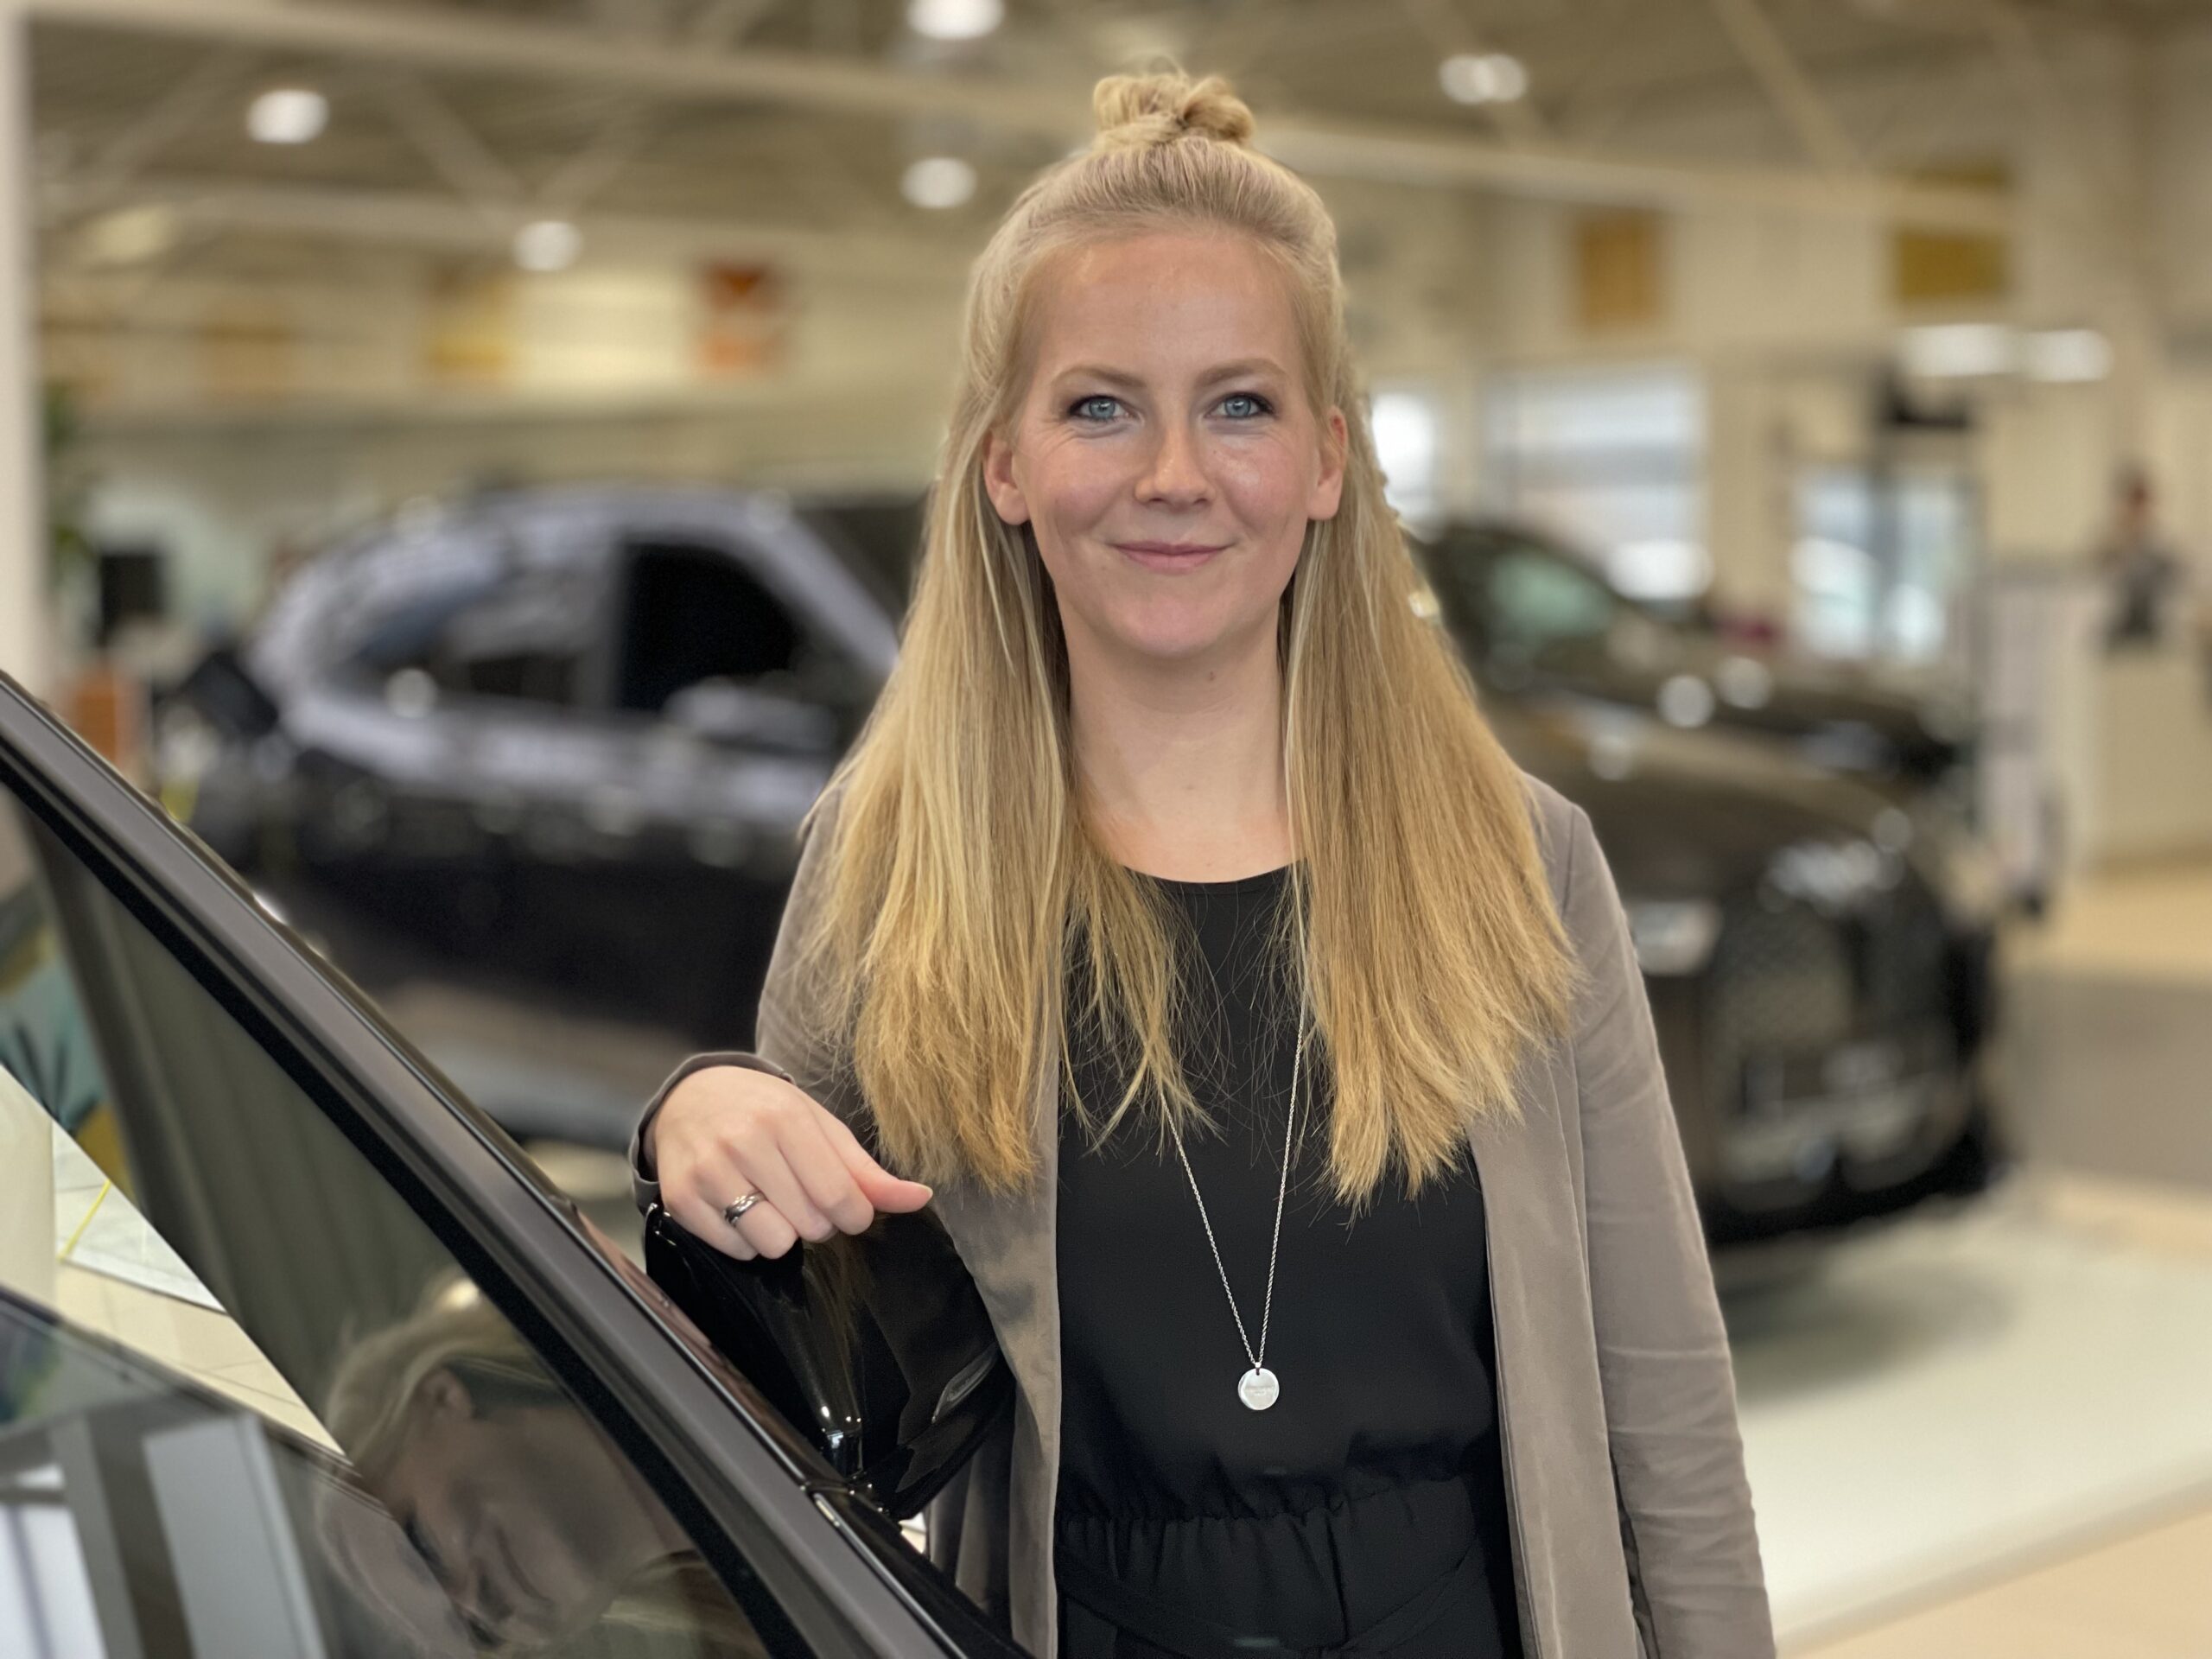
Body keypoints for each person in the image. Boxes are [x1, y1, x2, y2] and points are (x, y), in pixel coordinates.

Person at [630, 68, 1771, 1659]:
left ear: (1325, 461)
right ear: (1005, 465)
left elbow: (1663, 1399)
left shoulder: (1520, 860)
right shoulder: (894, 869)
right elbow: (779, 1389)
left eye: (1238, 403)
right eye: (1101, 404)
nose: (1174, 471)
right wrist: (698, 1128)